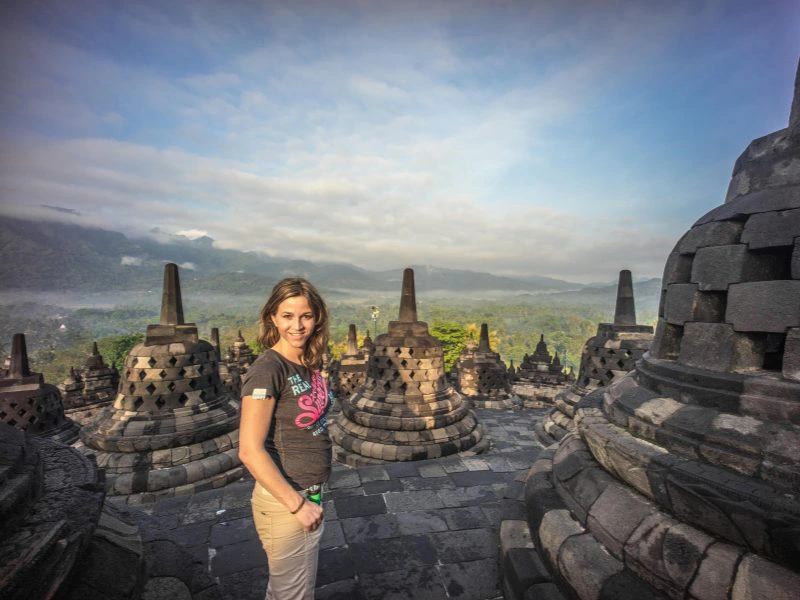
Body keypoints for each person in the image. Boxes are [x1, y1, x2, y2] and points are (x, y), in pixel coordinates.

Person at [239, 277, 334, 600]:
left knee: (287, 590)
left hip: (309, 491)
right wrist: (298, 506)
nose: (297, 325)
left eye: (306, 316)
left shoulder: (306, 362)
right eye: (287, 316)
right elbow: (250, 451)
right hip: (287, 498)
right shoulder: (268, 369)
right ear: (272, 318)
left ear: (317, 317)